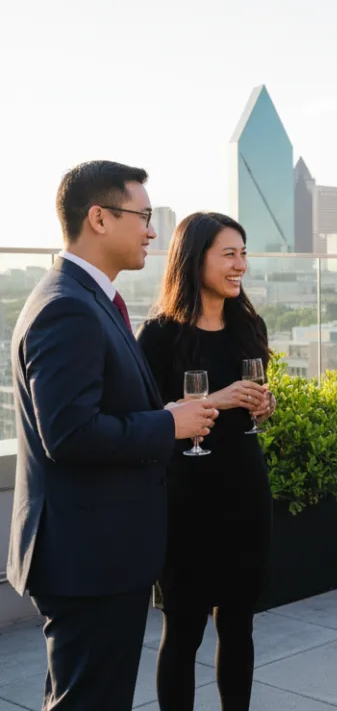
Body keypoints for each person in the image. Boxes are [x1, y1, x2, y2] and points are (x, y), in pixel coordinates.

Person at [7, 161, 218, 711]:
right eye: (143, 216)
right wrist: (170, 423)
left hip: (96, 553)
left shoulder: (87, 298)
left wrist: (163, 413)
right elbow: (71, 434)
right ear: (99, 218)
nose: (152, 230)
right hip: (88, 558)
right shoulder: (67, 308)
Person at [136, 212, 275, 711]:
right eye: (229, 254)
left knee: (240, 623)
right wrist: (222, 397)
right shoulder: (158, 336)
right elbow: (148, 421)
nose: (240, 265)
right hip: (186, 500)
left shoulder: (248, 324)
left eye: (243, 253)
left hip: (244, 492)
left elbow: (253, 400)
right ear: (195, 260)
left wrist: (263, 403)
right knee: (184, 629)